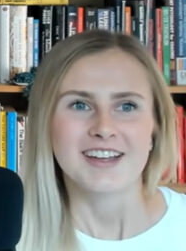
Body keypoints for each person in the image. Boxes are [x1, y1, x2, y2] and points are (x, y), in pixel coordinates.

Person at [18, 30, 186, 251]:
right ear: (45, 123)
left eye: (127, 106)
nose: (104, 128)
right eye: (80, 105)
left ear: (157, 125)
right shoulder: (4, 236)